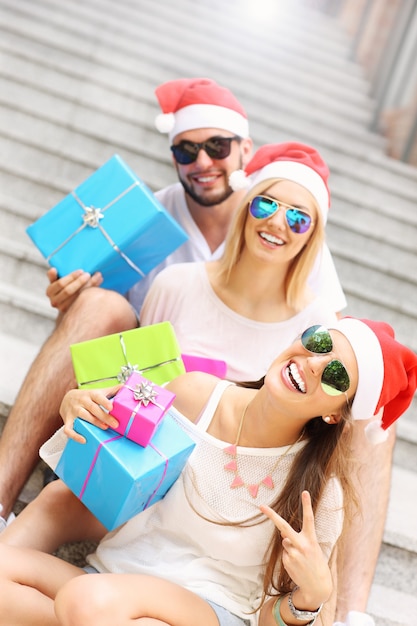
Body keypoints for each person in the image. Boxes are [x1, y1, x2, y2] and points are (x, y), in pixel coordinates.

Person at [0, 78, 345, 529]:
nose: (202, 162)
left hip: (239, 427)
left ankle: (339, 593)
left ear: (245, 150)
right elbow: (110, 349)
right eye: (186, 151)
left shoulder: (291, 226)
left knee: (366, 414)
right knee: (99, 305)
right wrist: (72, 298)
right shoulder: (150, 231)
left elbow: (333, 354)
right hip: (158, 396)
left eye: (217, 146)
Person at [0, 318, 415, 626]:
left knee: (86, 602)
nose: (314, 363)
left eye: (336, 375)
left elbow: (270, 617)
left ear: (334, 414)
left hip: (207, 609)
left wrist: (310, 597)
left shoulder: (321, 493)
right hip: (110, 577)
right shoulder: (196, 393)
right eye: (318, 342)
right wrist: (81, 411)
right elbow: (111, 474)